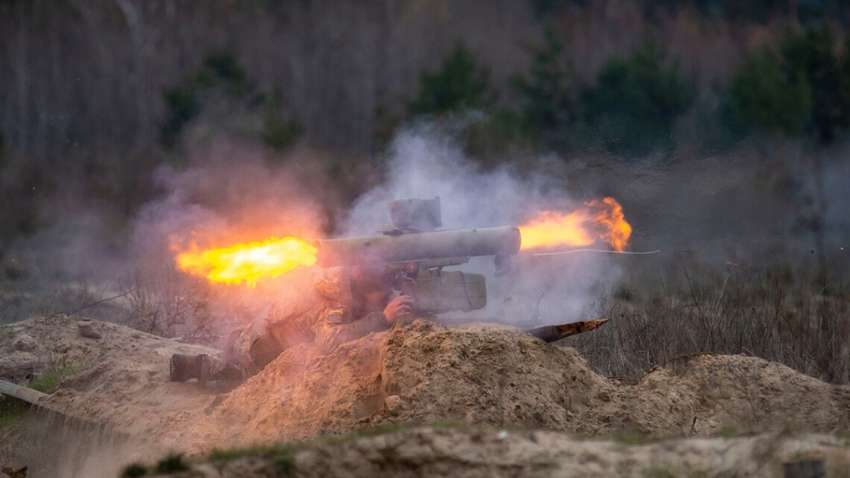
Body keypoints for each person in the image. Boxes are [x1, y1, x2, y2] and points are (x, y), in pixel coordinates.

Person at [169, 265, 413, 384]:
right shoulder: (334, 300)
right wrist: (383, 318)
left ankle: (211, 363)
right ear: (364, 289)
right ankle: (210, 367)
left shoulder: (333, 279)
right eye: (379, 294)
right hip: (258, 353)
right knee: (241, 378)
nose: (382, 298)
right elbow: (329, 342)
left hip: (252, 335)